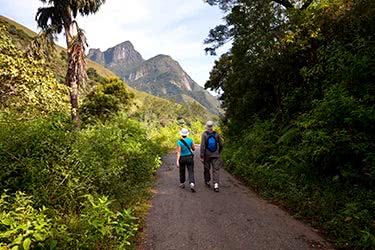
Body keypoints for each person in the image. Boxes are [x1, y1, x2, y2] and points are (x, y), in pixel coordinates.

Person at [200, 121, 223, 192]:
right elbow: (221, 144)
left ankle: (207, 181)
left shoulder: (204, 134)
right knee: (216, 170)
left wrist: (201, 155)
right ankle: (216, 185)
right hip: (215, 154)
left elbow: (203, 146)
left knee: (207, 168)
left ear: (206, 126)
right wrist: (219, 152)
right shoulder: (216, 134)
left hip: (207, 155)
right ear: (212, 126)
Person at [176, 128, 196, 192]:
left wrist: (177, 161)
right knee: (191, 171)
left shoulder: (179, 142)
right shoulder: (190, 140)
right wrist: (191, 146)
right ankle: (192, 183)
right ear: (187, 134)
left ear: (181, 134)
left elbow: (178, 152)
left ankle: (182, 183)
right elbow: (193, 149)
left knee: (182, 171)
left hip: (182, 158)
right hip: (189, 157)